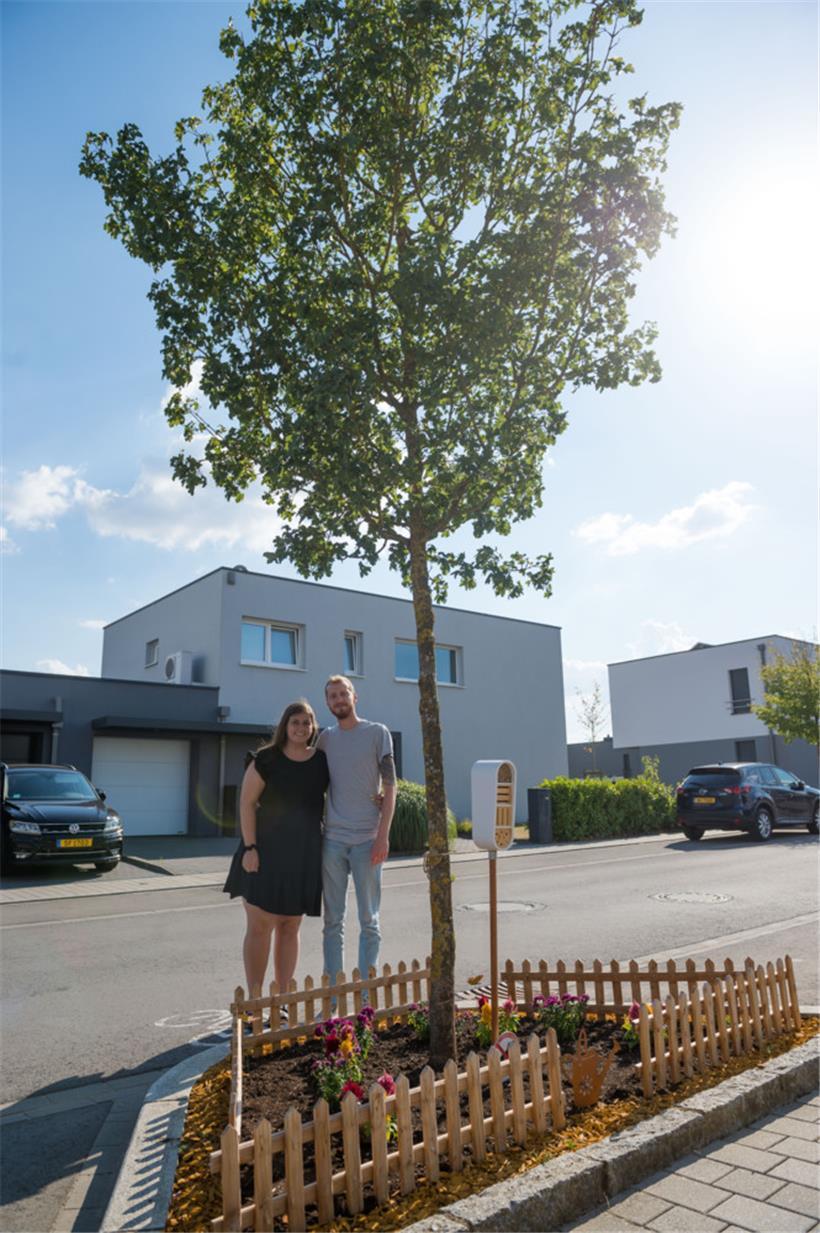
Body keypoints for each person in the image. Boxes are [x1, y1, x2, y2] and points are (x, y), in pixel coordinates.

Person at [223, 699, 329, 998]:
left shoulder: (321, 761)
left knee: (290, 927)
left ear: (313, 727)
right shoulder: (266, 759)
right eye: (295, 722)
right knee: (260, 925)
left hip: (303, 854)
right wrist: (250, 847)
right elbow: (246, 803)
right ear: (285, 725)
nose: (300, 727)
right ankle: (255, 999)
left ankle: (281, 998)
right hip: (264, 851)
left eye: (306, 722)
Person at [318, 675, 397, 983]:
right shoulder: (325, 739)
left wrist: (383, 837)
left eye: (343, 693)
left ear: (355, 696)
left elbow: (390, 786)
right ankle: (333, 995)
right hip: (333, 842)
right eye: (333, 696)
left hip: (368, 841)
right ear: (327, 702)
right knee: (332, 922)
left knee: (369, 921)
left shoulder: (378, 733)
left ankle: (366, 995)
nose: (339, 699)